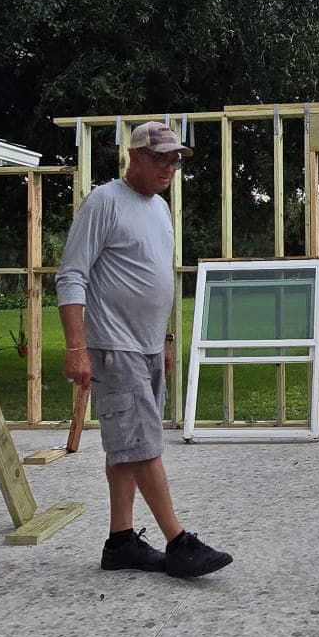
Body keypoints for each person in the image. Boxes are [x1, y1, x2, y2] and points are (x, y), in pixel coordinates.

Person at [59, 121, 232, 579]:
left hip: (147, 347)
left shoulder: (159, 208)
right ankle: (178, 543)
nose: (170, 167)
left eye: (175, 159)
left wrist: (165, 339)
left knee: (126, 447)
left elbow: (156, 279)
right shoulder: (104, 202)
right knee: (142, 444)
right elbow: (71, 276)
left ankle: (120, 542)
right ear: (133, 157)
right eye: (161, 158)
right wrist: (77, 346)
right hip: (114, 347)